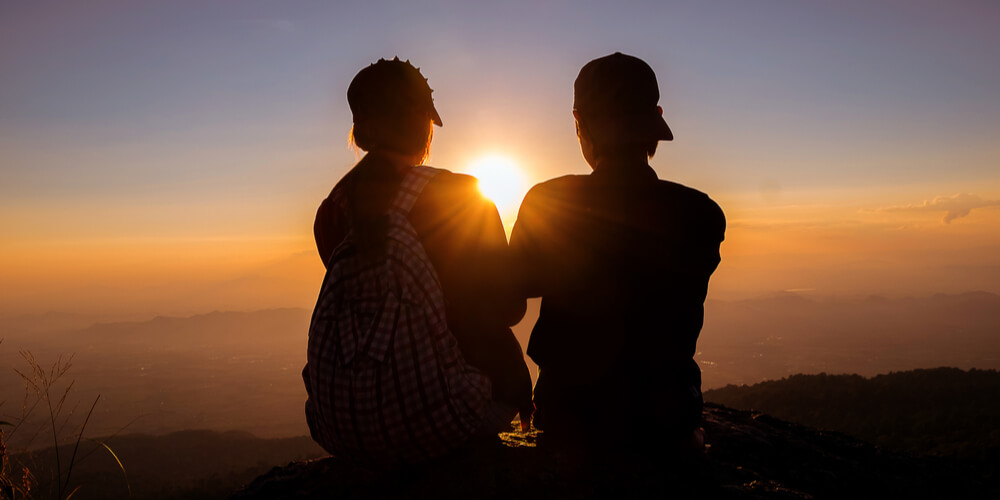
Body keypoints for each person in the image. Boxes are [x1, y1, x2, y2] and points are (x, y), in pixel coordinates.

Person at [303, 58, 532, 465]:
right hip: (454, 415)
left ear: (360, 131)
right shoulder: (462, 197)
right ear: (424, 125)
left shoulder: (330, 213)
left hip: (349, 422)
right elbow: (509, 310)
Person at [509, 52, 725, 451]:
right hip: (666, 414)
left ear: (580, 123)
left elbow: (511, 300)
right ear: (655, 118)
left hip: (569, 413)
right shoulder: (702, 214)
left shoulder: (549, 203)